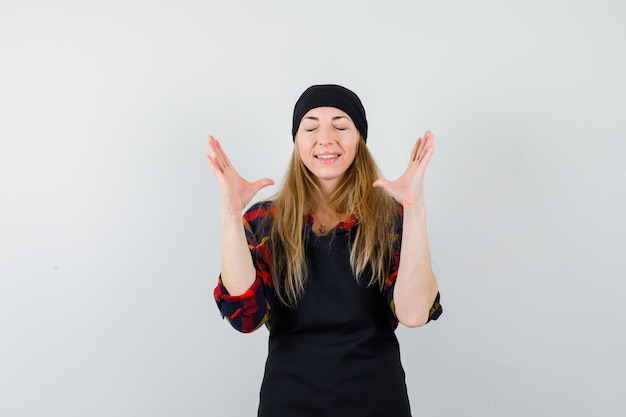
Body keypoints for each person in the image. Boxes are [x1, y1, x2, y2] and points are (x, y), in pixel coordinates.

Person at [206, 84, 442, 417]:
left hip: (377, 403)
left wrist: (415, 210)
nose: (326, 138)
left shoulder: (393, 218)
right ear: (297, 141)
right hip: (288, 405)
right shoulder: (263, 222)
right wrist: (231, 217)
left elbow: (415, 314)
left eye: (341, 126)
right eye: (311, 127)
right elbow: (246, 318)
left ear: (359, 138)